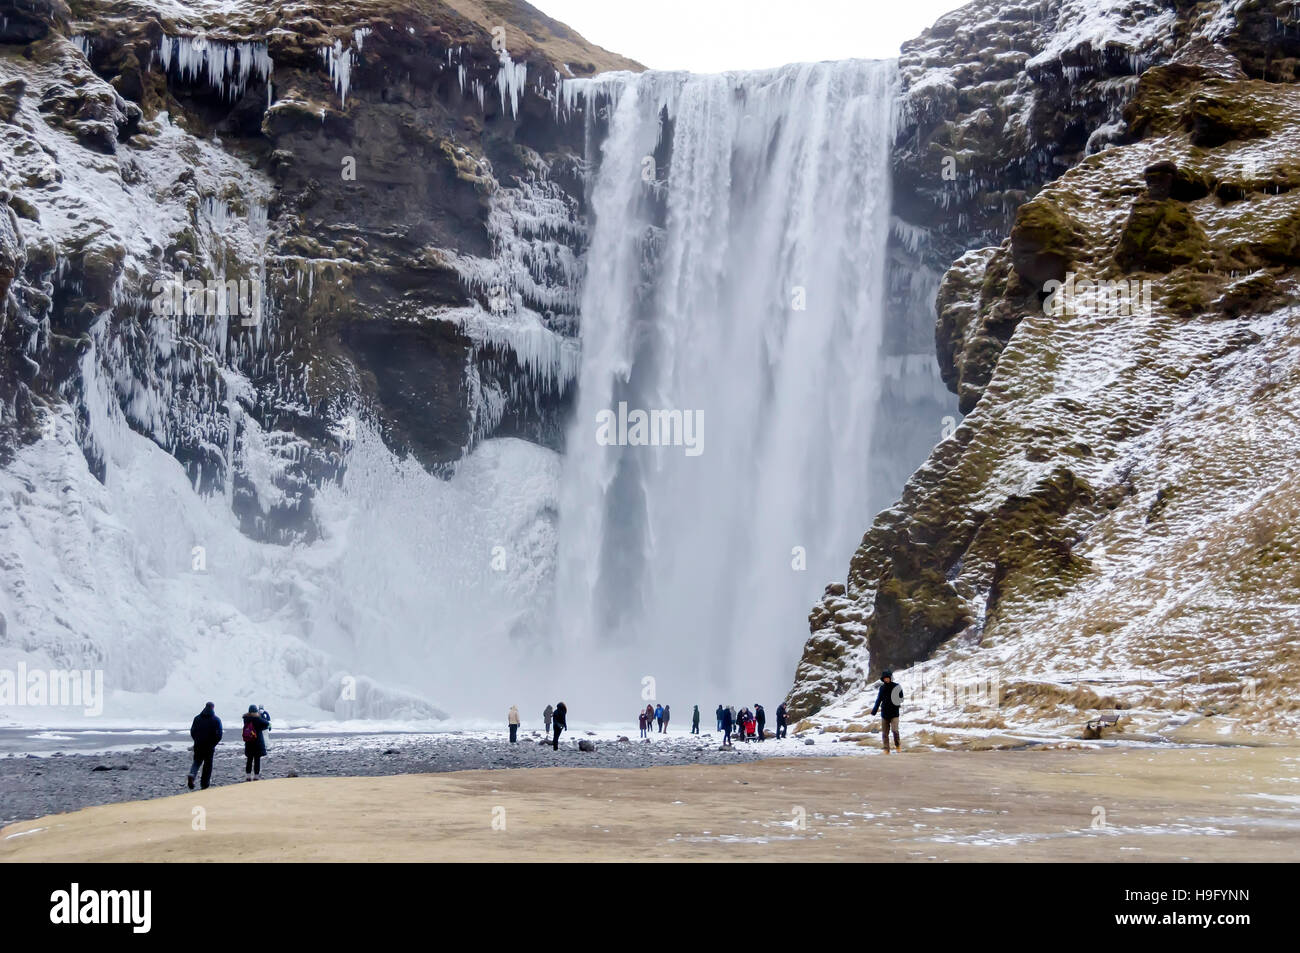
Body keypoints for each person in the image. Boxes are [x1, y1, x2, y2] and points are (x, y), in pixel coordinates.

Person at [187, 701, 222, 790]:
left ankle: (192, 774)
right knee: (208, 765)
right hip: (209, 746)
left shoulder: (197, 718)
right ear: (213, 708)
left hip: (198, 744)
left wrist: (196, 740)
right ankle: (204, 783)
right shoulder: (216, 720)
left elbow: (192, 731)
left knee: (197, 761)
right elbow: (219, 734)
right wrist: (214, 743)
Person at [871, 669, 903, 753]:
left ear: (890, 678)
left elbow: (901, 698)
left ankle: (898, 746)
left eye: (887, 678)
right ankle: (886, 749)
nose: (886, 679)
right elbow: (878, 700)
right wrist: (874, 710)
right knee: (885, 733)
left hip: (894, 714)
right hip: (884, 714)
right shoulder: (882, 688)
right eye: (884, 678)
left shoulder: (897, 686)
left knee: (895, 731)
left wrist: (896, 703)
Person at [241, 704, 270, 780]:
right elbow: (266, 723)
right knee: (257, 759)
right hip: (257, 742)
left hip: (249, 742)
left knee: (249, 759)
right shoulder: (257, 719)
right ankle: (256, 776)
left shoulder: (245, 718)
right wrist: (260, 716)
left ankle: (248, 776)